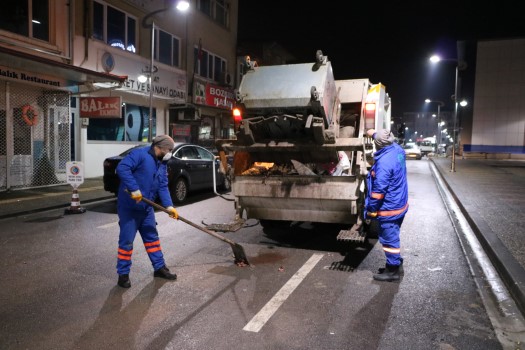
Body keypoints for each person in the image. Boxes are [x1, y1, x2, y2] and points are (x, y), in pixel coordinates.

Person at [115, 135, 179, 288]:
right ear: (162, 147)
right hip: (130, 208)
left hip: (146, 208)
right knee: (127, 242)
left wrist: (169, 206)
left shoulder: (162, 163)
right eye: (169, 149)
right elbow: (122, 168)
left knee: (152, 239)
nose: (170, 152)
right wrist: (134, 188)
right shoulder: (140, 155)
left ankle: (159, 268)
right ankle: (123, 275)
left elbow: (162, 186)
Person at [365, 128, 409, 282]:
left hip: (390, 207)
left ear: (379, 145)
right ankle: (397, 264)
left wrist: (371, 209)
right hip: (400, 202)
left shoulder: (384, 163)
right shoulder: (397, 149)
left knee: (389, 240)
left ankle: (393, 271)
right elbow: (380, 137)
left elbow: (378, 192)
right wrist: (372, 133)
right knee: (393, 235)